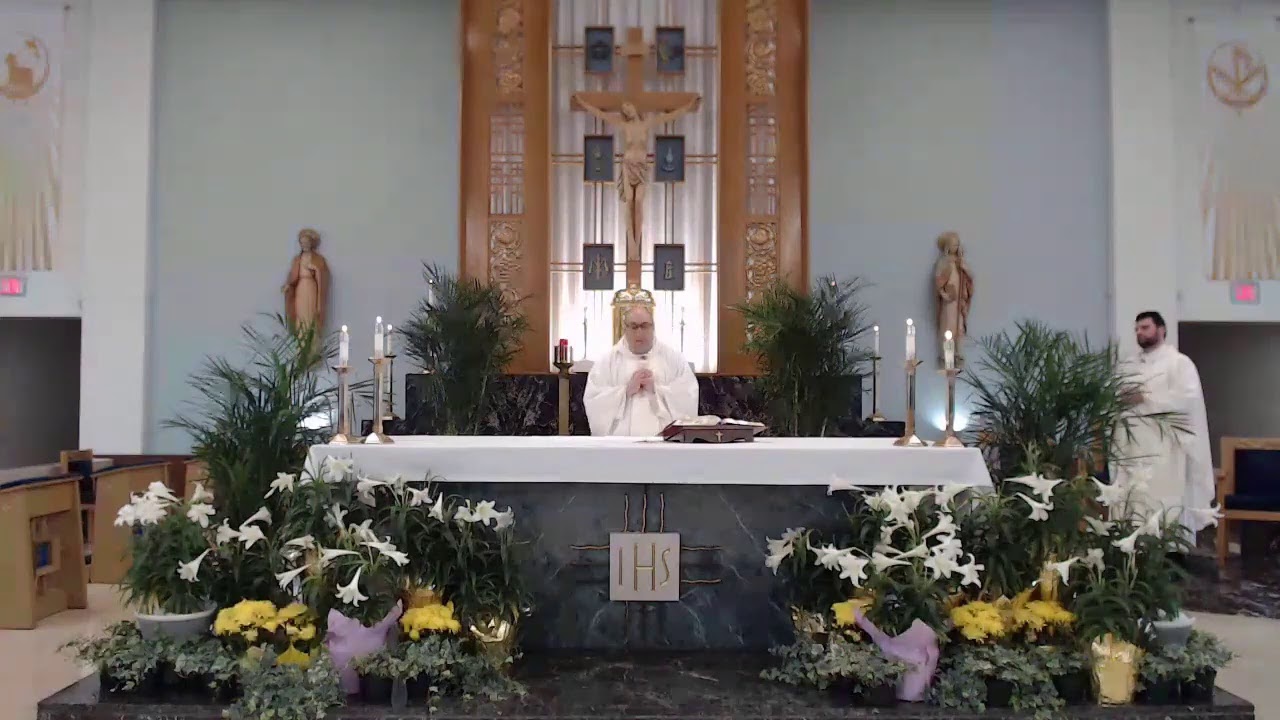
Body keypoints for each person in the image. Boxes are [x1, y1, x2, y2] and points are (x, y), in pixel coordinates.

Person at [1111, 311, 1215, 541]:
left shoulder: (1179, 363)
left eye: (1145, 327)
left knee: (1163, 498)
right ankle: (1132, 546)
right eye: (1137, 329)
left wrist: (1146, 398)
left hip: (1165, 446)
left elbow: (1186, 400)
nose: (1140, 333)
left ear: (1161, 329)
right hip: (1132, 445)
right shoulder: (1129, 365)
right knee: (1133, 499)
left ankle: (1168, 549)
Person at [583, 306, 698, 436]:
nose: (639, 332)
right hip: (620, 442)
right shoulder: (606, 362)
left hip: (664, 441)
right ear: (625, 329)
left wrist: (656, 390)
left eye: (644, 326)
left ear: (653, 327)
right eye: (633, 326)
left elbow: (688, 396)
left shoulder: (674, 359)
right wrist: (625, 391)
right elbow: (594, 401)